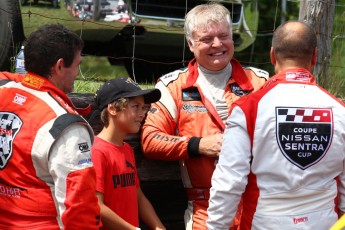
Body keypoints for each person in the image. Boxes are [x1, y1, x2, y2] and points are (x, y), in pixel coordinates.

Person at [140, 2, 269, 229]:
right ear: (191, 44)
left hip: (258, 203)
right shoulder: (172, 86)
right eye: (207, 39)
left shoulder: (261, 82)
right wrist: (199, 145)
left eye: (224, 36)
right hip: (205, 207)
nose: (217, 44)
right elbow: (151, 140)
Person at [207, 20, 345, 229]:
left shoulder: (248, 109)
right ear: (315, 56)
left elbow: (229, 182)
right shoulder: (340, 110)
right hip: (326, 223)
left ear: (272, 55)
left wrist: (216, 228)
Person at [0, 24, 101, 229]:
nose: (77, 73)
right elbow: (79, 208)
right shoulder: (67, 127)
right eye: (77, 65)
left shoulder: (4, 90)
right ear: (59, 66)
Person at [91, 77, 166, 230]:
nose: (142, 114)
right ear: (113, 109)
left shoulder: (127, 150)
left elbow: (137, 195)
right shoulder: (97, 151)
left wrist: (158, 226)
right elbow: (96, 205)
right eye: (135, 107)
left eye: (144, 107)